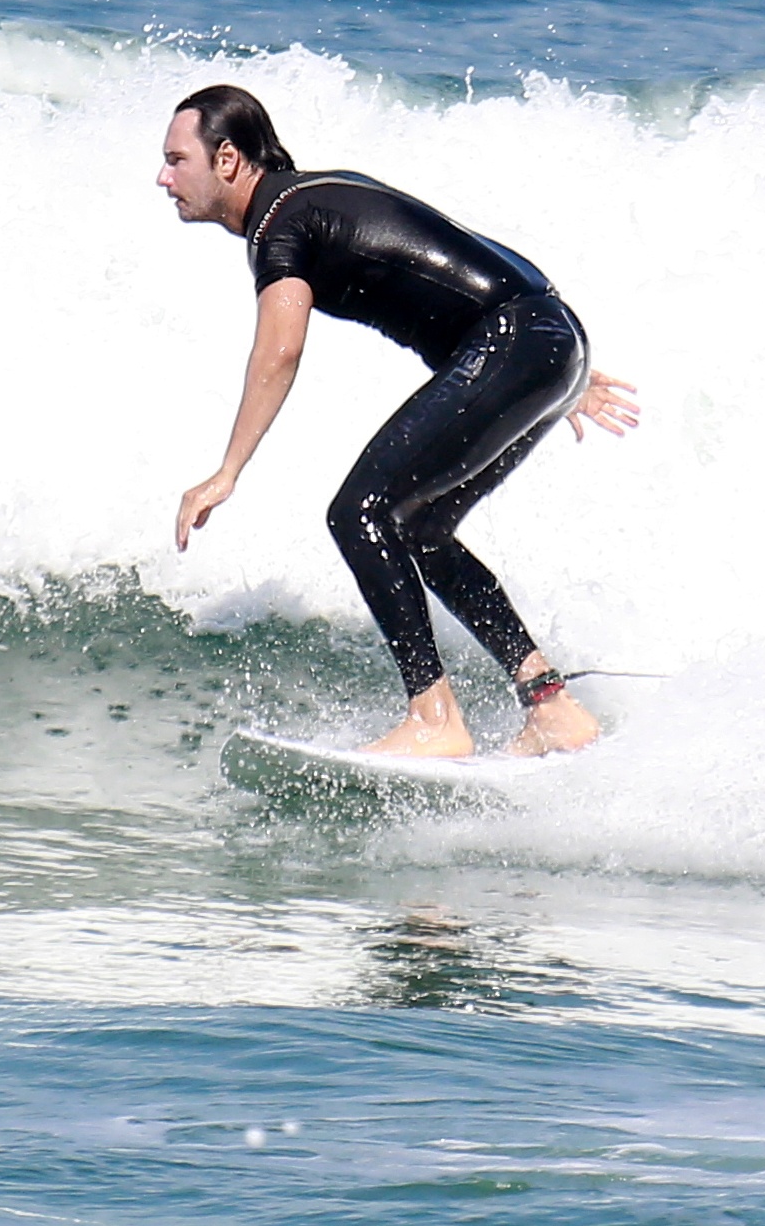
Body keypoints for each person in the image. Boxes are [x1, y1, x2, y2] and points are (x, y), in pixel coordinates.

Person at [156, 85, 638, 757]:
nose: (164, 177)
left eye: (177, 160)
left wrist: (226, 472)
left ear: (229, 159)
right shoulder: (318, 194)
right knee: (419, 525)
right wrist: (558, 365)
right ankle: (551, 706)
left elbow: (280, 349)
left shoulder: (279, 225)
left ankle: (435, 718)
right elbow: (464, 250)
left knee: (361, 513)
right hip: (543, 334)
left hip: (521, 341)